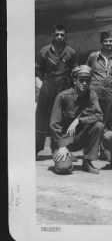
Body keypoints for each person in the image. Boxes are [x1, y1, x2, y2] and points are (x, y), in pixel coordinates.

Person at [49, 65, 104, 174]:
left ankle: (87, 161)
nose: (84, 83)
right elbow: (54, 125)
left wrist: (80, 120)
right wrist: (61, 146)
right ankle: (64, 155)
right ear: (75, 81)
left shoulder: (92, 96)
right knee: (63, 168)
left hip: (80, 137)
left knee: (99, 125)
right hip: (63, 139)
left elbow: (99, 116)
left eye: (87, 81)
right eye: (81, 80)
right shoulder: (63, 96)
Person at [36, 24, 78, 156]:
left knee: (64, 116)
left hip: (64, 85)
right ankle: (37, 148)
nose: (59, 37)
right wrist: (42, 83)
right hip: (48, 84)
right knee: (42, 116)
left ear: (66, 36)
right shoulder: (44, 51)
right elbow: (38, 69)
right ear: (53, 35)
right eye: (57, 34)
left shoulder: (71, 52)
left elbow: (74, 70)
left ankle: (61, 147)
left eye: (62, 35)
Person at [86, 30, 112, 117]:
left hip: (110, 90)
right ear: (101, 42)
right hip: (95, 89)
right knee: (94, 113)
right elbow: (86, 72)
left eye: (110, 41)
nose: (108, 43)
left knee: (110, 114)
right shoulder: (93, 56)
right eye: (105, 41)